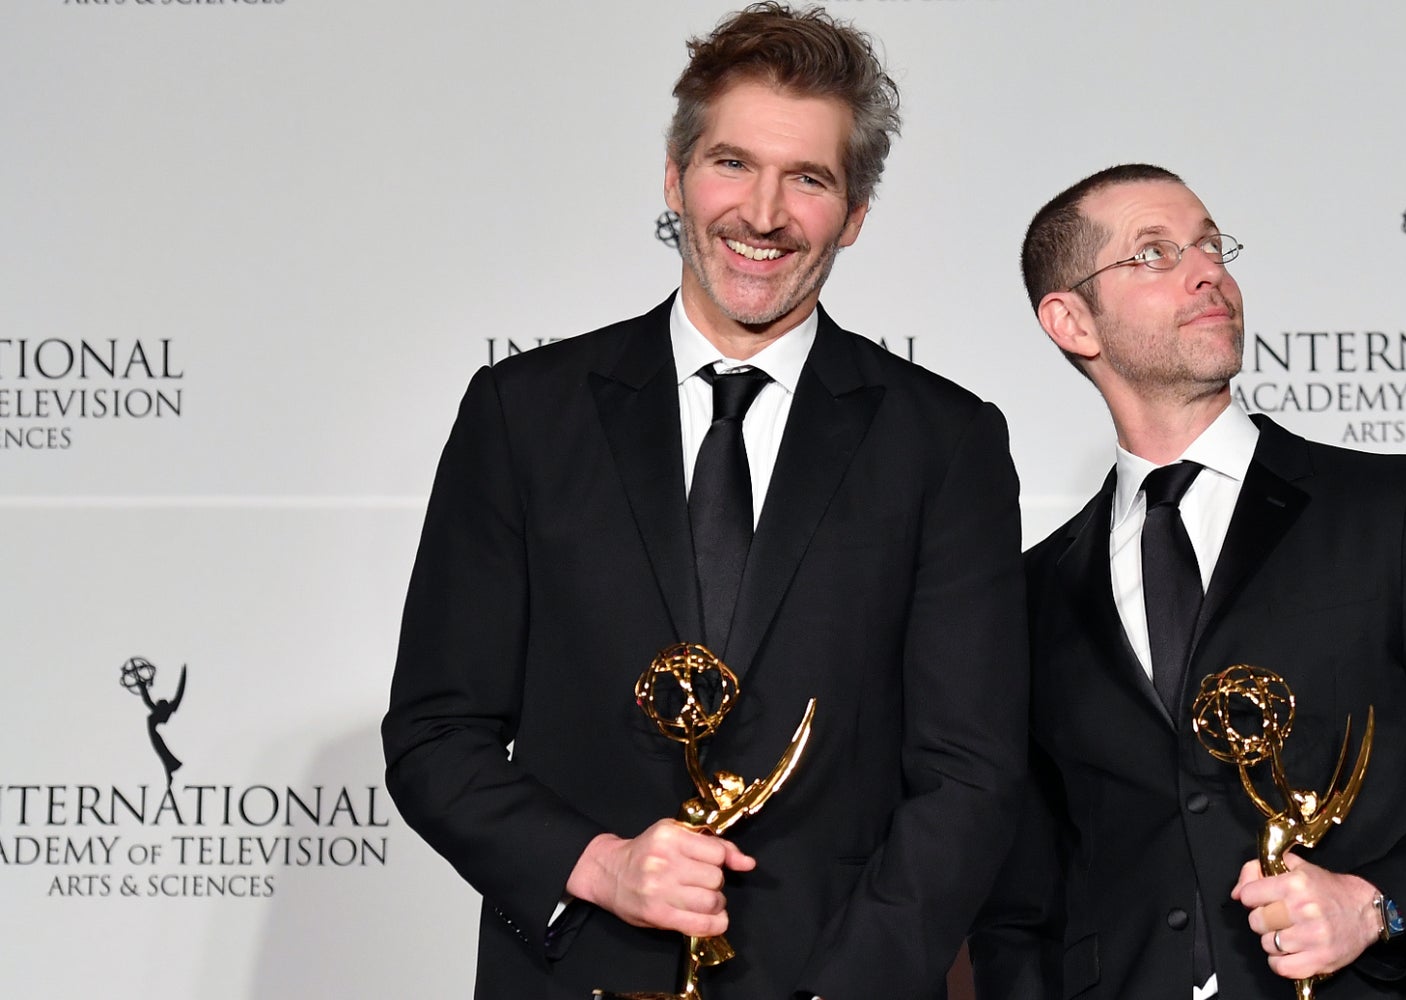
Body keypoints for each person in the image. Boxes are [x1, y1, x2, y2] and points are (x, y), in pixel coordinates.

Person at [381, 5, 1027, 998]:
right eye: (731, 164)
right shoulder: (525, 414)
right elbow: (436, 736)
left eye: (807, 178)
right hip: (576, 968)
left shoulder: (942, 441)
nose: (761, 214)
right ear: (675, 175)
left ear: (852, 214)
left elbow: (969, 775)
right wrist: (600, 865)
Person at [973, 164, 1406, 999]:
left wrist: (1373, 906)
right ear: (1072, 319)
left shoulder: (1392, 511)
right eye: (1153, 254)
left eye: (1211, 244)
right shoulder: (1033, 592)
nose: (1207, 271)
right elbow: (1020, 904)